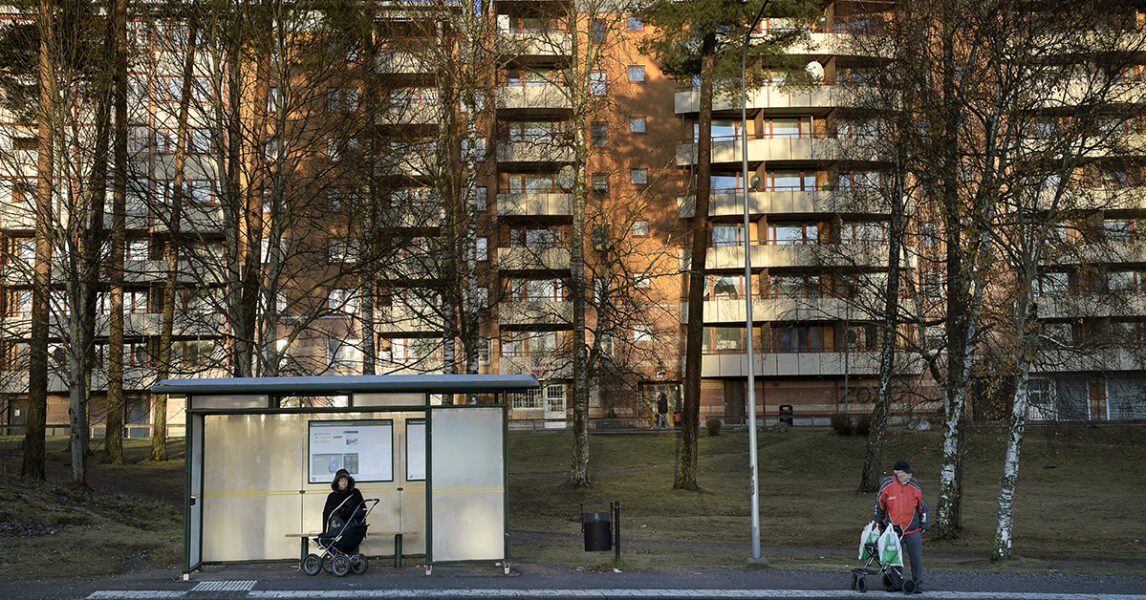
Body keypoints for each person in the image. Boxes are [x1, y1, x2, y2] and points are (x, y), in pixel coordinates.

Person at [873, 459, 929, 594]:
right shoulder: (887, 484)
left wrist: (924, 523)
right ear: (899, 474)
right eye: (908, 473)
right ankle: (896, 584)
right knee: (895, 558)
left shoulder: (915, 485)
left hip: (913, 530)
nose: (910, 476)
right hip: (894, 531)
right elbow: (880, 505)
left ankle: (918, 585)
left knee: (916, 559)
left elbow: (923, 506)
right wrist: (876, 521)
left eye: (910, 473)